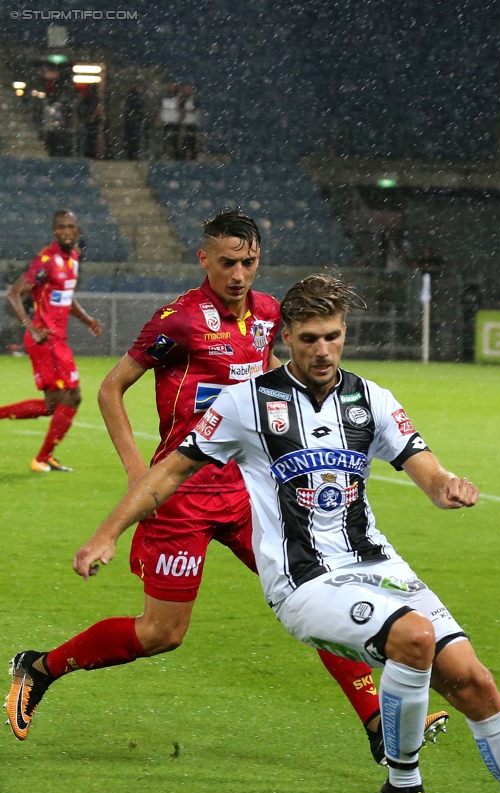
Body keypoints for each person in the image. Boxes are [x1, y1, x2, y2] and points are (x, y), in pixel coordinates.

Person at [62, 274, 500, 793]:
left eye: (332, 337)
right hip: (304, 583)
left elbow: (424, 470)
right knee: (415, 639)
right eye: (309, 339)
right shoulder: (246, 404)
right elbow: (169, 472)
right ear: (284, 341)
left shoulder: (372, 399)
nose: (322, 350)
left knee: (474, 682)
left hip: (378, 566)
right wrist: (107, 533)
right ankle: (404, 788)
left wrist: (447, 485)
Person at [4, 212, 392, 765]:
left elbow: (266, 372)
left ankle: (379, 722)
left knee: (316, 595)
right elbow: (112, 389)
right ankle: (39, 667)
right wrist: (139, 475)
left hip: (245, 491)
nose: (239, 274)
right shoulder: (180, 320)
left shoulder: (266, 314)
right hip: (180, 493)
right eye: (228, 262)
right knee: (162, 633)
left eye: (249, 262)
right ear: (204, 258)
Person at [1, 210, 102, 471]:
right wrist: (32, 329)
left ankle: (44, 457)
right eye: (62, 227)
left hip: (56, 339)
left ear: (77, 230)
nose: (67, 231)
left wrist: (87, 319)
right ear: (55, 231)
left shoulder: (73, 258)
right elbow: (13, 294)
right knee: (73, 396)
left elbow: (65, 296)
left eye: (71, 227)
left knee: (52, 405)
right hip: (46, 339)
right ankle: (43, 457)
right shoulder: (47, 260)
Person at [160, 83, 181, 160]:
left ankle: (176, 155)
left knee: (175, 139)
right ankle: (165, 154)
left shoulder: (178, 97)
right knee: (165, 139)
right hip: (166, 120)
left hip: (174, 120)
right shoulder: (164, 97)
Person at [124, 85, 145, 160]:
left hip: (133, 120)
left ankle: (132, 153)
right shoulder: (134, 97)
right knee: (133, 138)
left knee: (133, 138)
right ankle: (132, 153)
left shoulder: (132, 97)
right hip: (133, 120)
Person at [180, 83, 199, 161]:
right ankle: (184, 155)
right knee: (185, 139)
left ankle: (193, 155)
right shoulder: (184, 98)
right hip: (186, 121)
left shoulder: (195, 98)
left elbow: (195, 107)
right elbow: (181, 108)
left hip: (193, 121)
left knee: (192, 139)